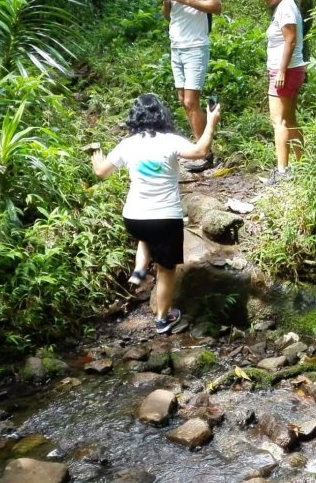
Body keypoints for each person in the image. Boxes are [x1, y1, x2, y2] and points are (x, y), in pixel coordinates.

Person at [91, 94, 221, 334]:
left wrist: (96, 160)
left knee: (147, 235)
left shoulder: (127, 144)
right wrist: (211, 121)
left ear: (135, 118)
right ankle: (162, 319)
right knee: (165, 269)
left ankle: (139, 270)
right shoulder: (170, 141)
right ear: (162, 115)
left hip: (134, 218)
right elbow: (201, 151)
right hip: (165, 218)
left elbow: (101, 172)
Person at [159, 0, 222, 168]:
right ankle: (201, 148)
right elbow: (169, 16)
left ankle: (205, 154)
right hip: (176, 46)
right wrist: (165, 0)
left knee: (190, 101)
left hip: (195, 45)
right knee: (183, 101)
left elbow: (216, 6)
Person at [253, 0, 304, 183]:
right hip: (291, 69)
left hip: (285, 71)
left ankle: (282, 172)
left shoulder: (285, 7)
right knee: (289, 120)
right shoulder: (286, 6)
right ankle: (302, 166)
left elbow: (290, 40)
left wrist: (281, 70)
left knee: (278, 121)